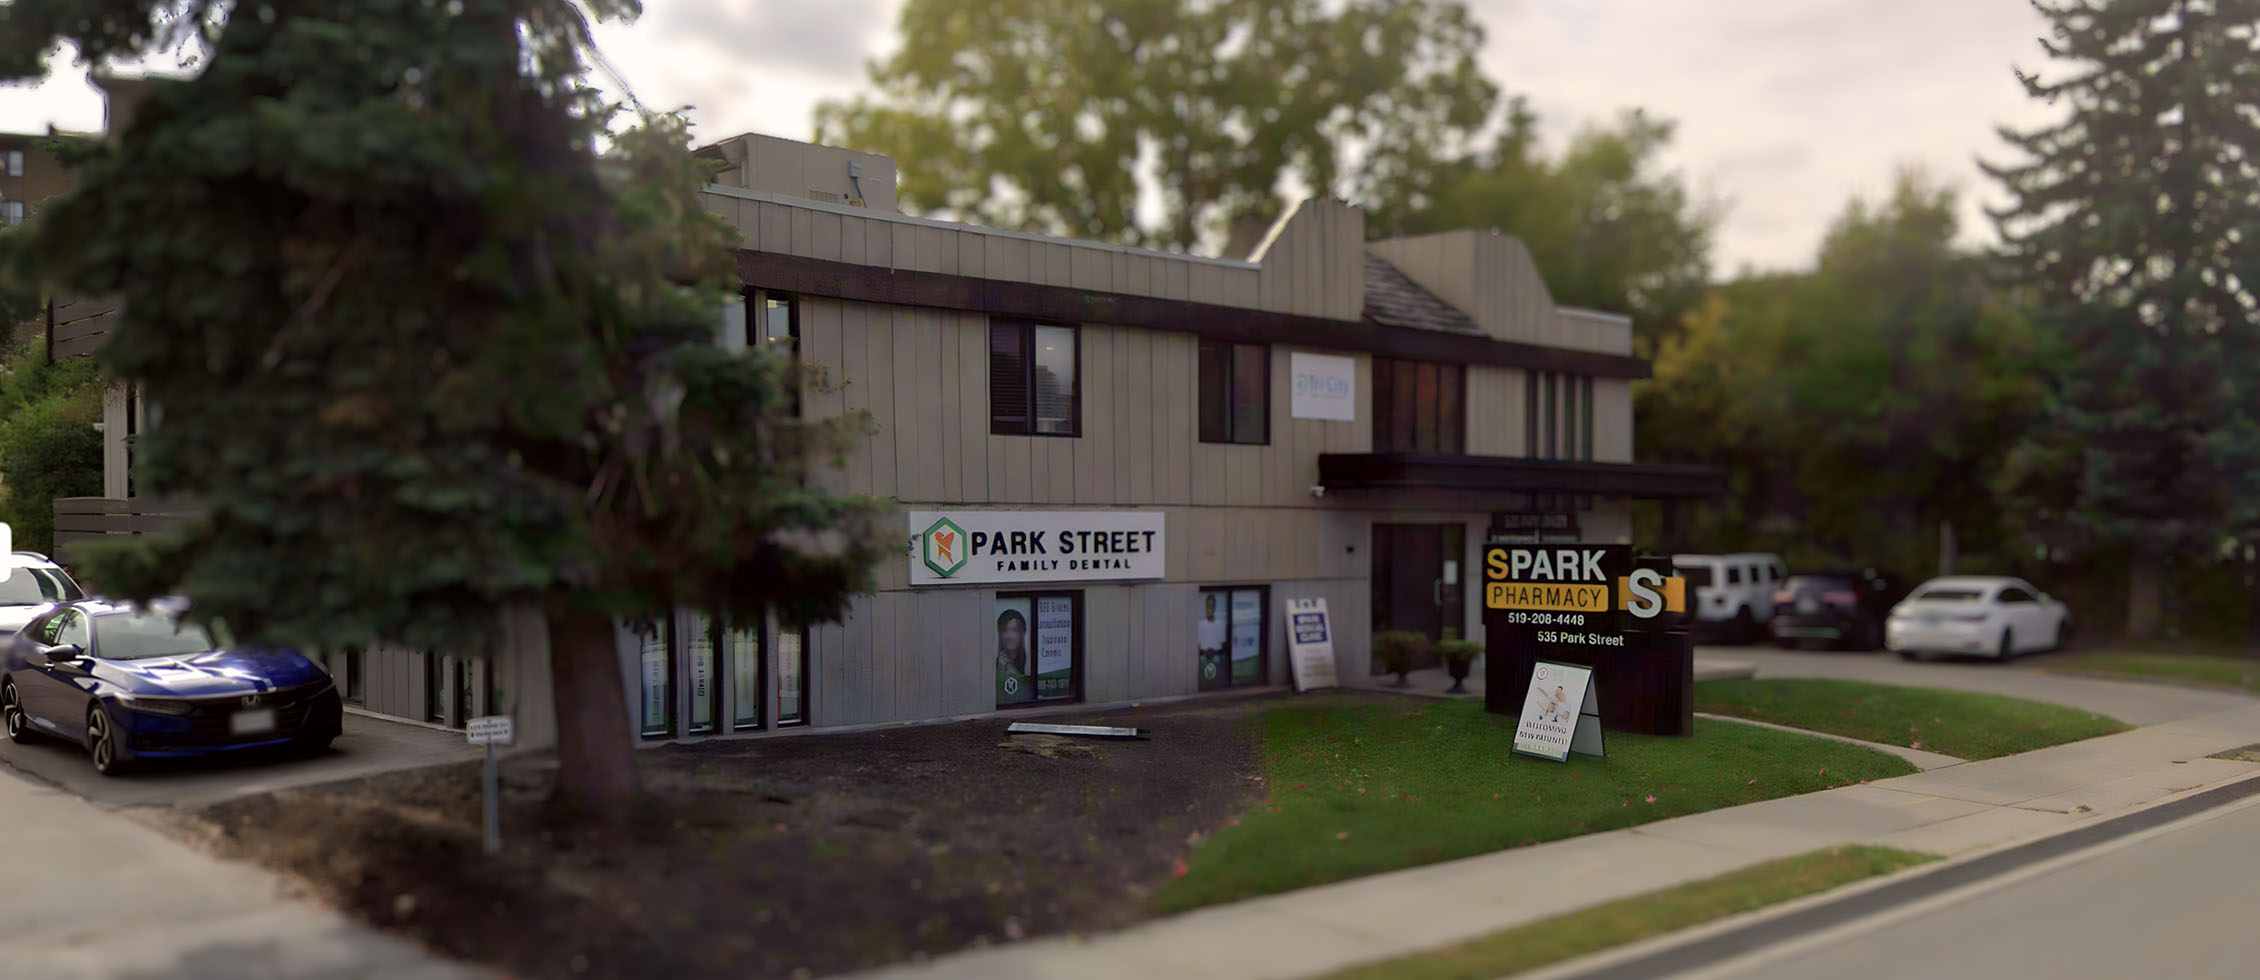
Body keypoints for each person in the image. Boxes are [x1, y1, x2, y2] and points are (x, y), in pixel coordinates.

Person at [996, 607, 1032, 703]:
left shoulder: (1031, 664)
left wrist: (1013, 671)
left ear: (1022, 633)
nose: (1009, 636)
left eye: (1014, 630)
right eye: (1005, 630)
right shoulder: (995, 664)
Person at [1197, 593, 1228, 686]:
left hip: (1217, 658)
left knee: (1217, 681)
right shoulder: (1200, 624)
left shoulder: (1220, 624)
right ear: (1205, 607)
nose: (1210, 609)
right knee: (1204, 681)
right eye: (1208, 606)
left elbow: (1223, 644)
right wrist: (1205, 652)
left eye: (1212, 606)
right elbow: (1197, 645)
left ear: (1215, 607)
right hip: (1203, 658)